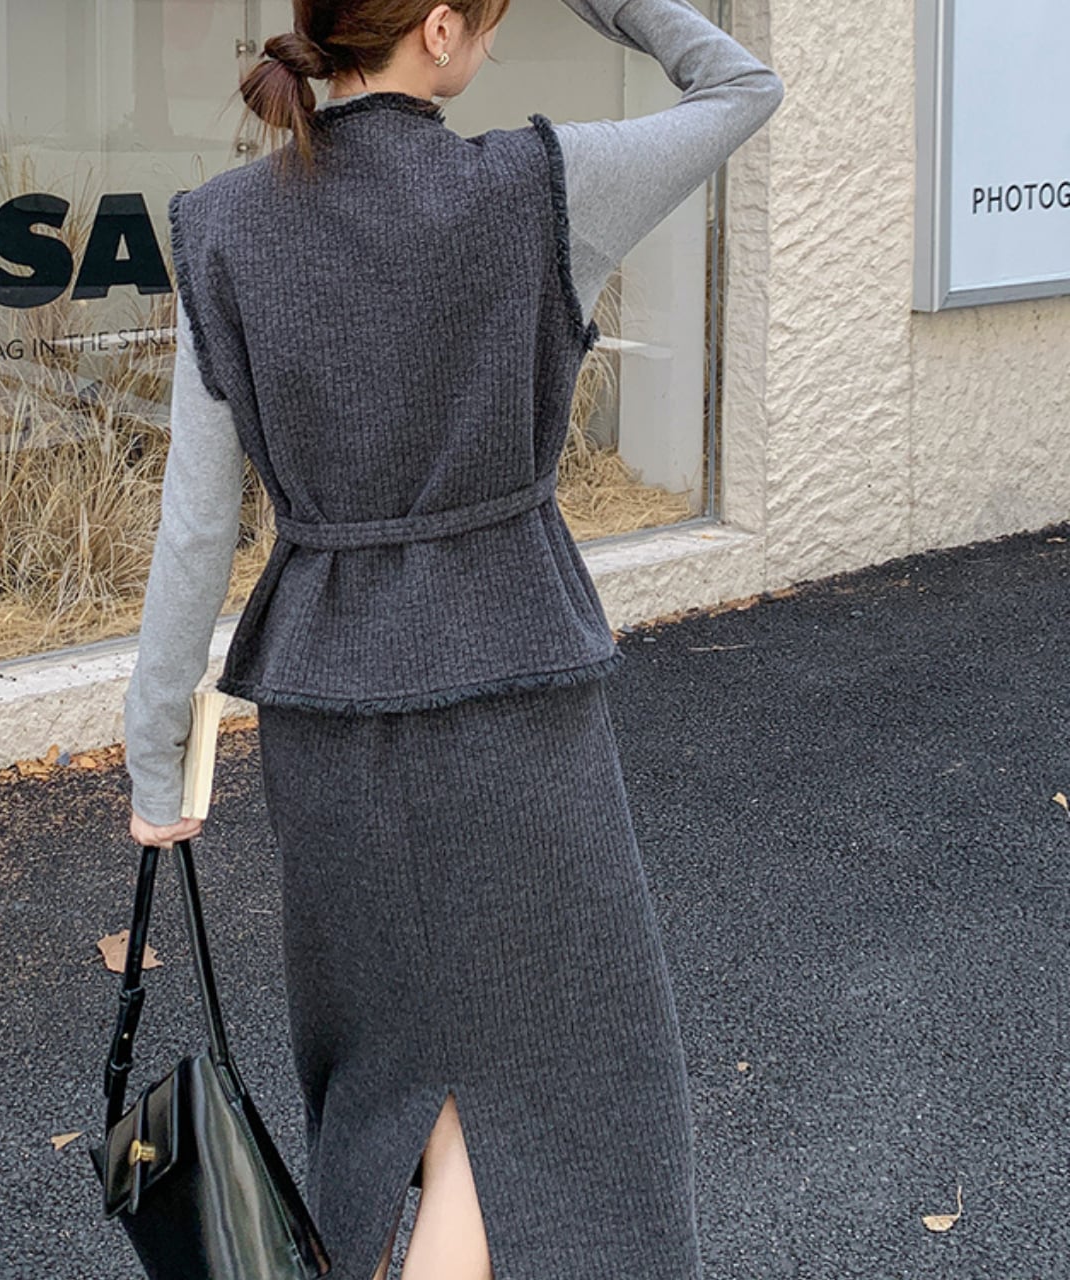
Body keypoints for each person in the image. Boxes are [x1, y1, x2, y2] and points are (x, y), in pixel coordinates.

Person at [123, 2, 783, 1277]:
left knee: (405, 1096)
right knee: (556, 1087)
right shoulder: (540, 189)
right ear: (438, 29)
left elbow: (194, 526)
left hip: (327, 721)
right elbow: (739, 86)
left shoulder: (223, 226)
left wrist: (157, 757)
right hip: (509, 708)